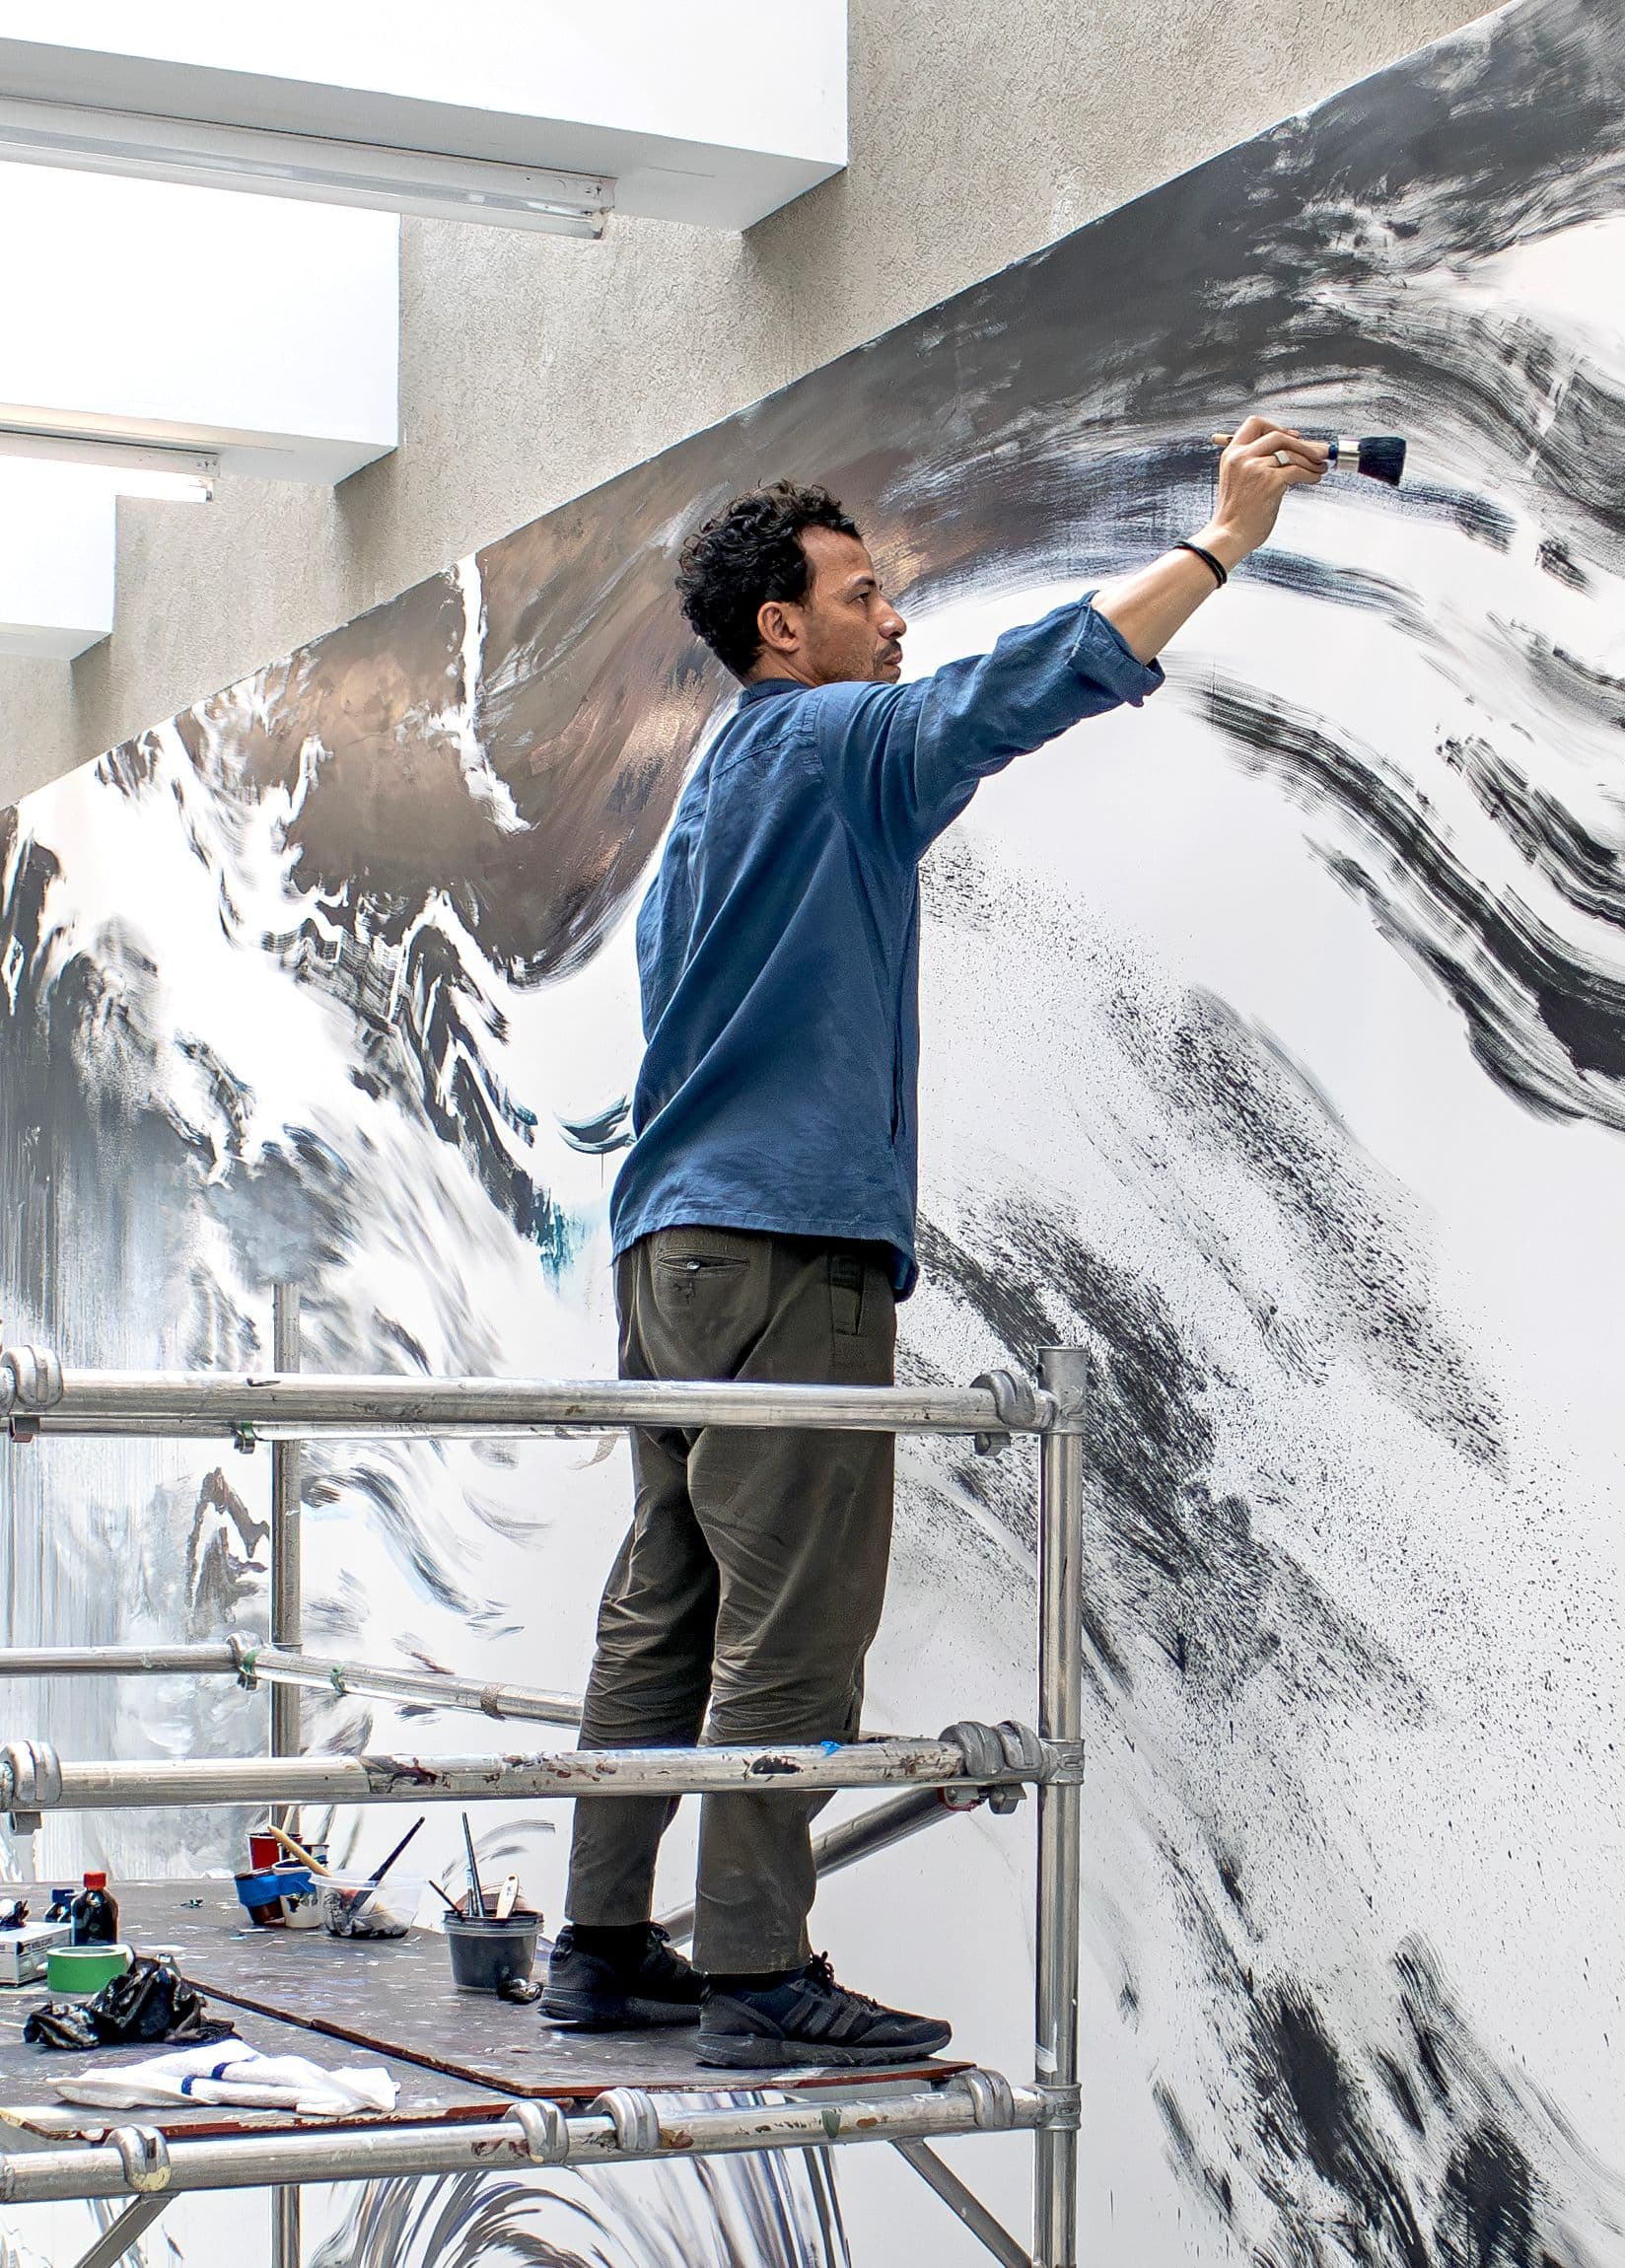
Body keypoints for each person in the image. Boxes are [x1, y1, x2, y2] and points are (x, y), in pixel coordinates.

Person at [543, 417, 1332, 2068]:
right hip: (786, 1251)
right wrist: (1221, 543)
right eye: (863, 592)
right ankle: (757, 1974)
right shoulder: (833, 742)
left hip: (670, 1255)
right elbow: (1020, 688)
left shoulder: (727, 791)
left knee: (663, 1607)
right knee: (792, 1619)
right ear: (785, 629)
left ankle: (601, 1948)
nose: (892, 618)